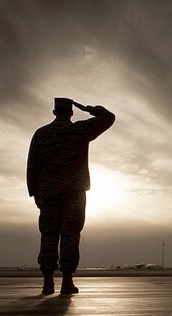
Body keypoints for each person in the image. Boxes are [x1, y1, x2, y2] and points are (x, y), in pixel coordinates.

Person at [27, 98, 115, 295]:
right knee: (71, 234)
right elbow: (108, 118)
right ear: (71, 113)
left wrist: (34, 192)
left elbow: (32, 165)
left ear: (54, 112)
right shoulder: (79, 130)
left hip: (48, 191)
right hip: (73, 191)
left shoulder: (42, 134)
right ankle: (67, 281)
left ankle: (48, 282)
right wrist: (90, 109)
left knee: (48, 234)